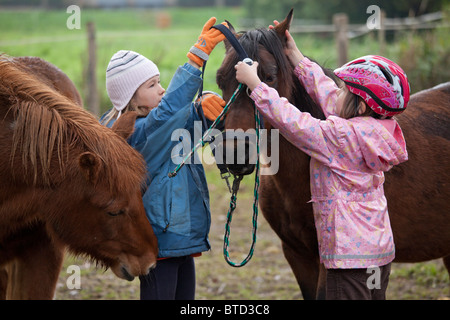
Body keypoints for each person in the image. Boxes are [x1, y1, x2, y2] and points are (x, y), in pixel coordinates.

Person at [235, 27, 410, 300]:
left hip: (347, 262)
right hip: (375, 255)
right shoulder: (372, 131)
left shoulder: (341, 138)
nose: (336, 92)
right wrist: (297, 58)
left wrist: (256, 86)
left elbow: (294, 123)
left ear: (360, 107)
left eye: (344, 90)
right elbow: (328, 95)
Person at [101, 17, 228, 300]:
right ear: (131, 99)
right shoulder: (135, 134)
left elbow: (179, 122)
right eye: (152, 85)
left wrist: (202, 111)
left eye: (161, 82)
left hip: (180, 239)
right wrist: (197, 59)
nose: (161, 89)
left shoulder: (159, 126)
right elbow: (168, 113)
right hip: (158, 240)